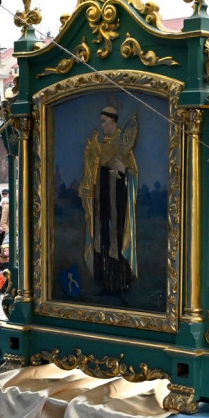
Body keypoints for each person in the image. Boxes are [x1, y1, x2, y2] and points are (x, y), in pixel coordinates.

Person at [79, 105, 139, 294]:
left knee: (117, 239)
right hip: (101, 203)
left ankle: (120, 282)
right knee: (101, 239)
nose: (102, 125)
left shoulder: (123, 144)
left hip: (118, 203)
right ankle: (103, 282)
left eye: (105, 121)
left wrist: (125, 170)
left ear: (113, 120)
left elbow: (135, 176)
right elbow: (92, 172)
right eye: (101, 121)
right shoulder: (101, 145)